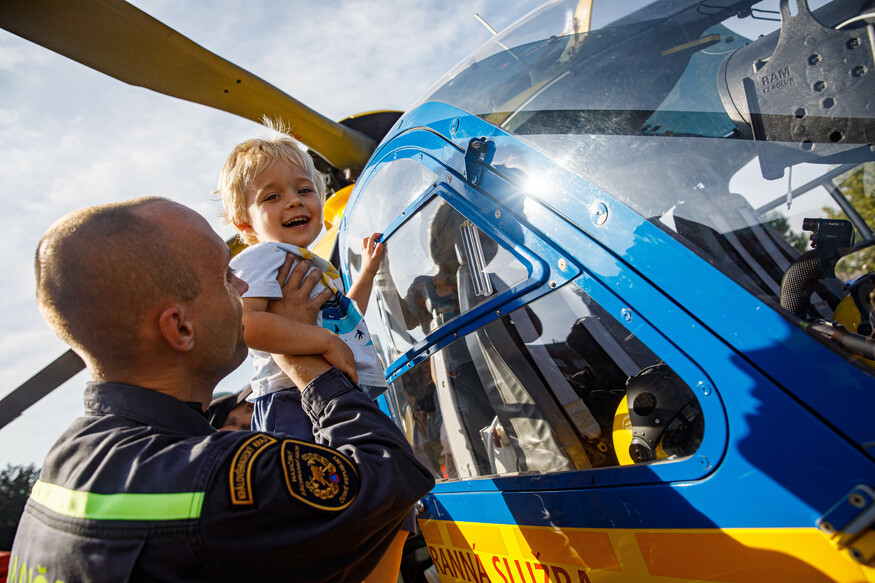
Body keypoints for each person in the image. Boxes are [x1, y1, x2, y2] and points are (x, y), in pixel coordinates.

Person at [9, 197, 434, 583]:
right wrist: (297, 351)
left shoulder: (67, 458)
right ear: (180, 328)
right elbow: (390, 474)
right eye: (225, 276)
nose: (246, 287)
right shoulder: (212, 478)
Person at [217, 128, 412, 583]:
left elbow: (346, 319)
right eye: (273, 196)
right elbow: (247, 326)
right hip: (292, 401)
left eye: (304, 190)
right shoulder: (265, 257)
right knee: (326, 507)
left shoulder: (308, 265)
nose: (294, 202)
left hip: (337, 396)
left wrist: (365, 273)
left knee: (382, 504)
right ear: (244, 225)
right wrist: (322, 344)